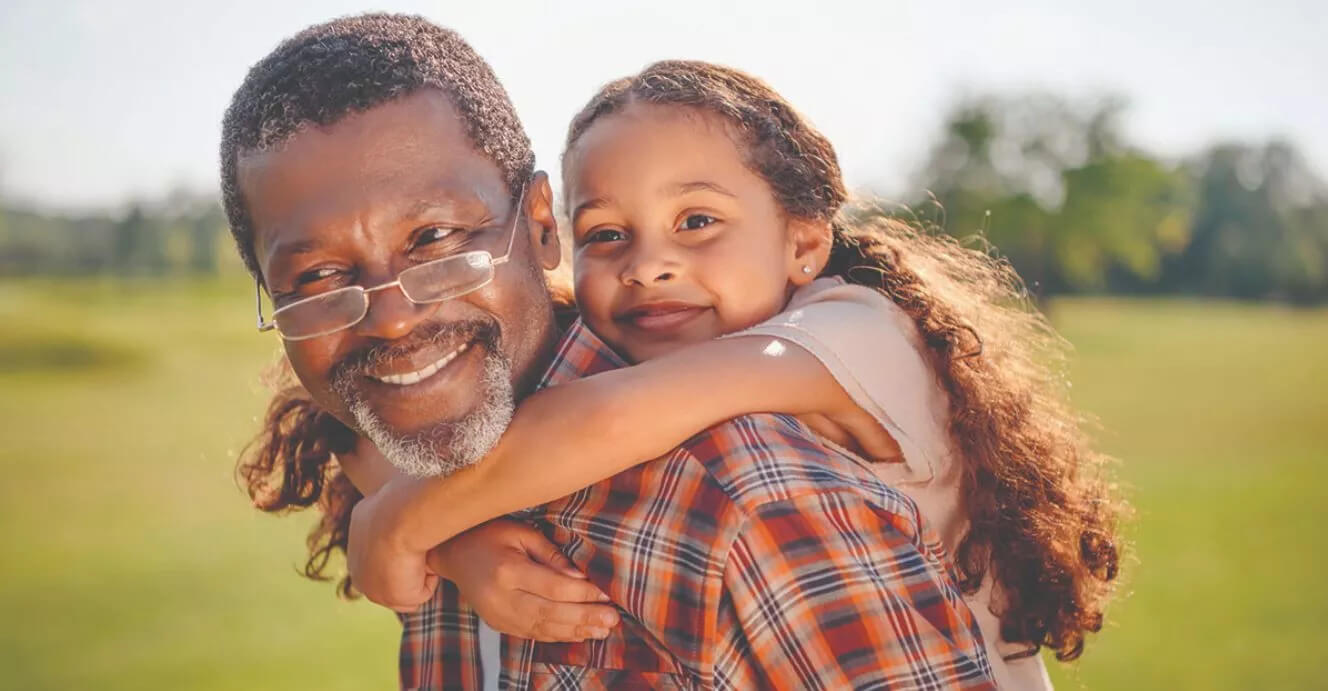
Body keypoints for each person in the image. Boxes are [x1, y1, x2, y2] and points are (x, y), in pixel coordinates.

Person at [222, 13, 997, 690]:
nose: (390, 321)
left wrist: (401, 524)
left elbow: (611, 418)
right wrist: (444, 535)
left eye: (435, 238)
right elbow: (345, 431)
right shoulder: (430, 444)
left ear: (538, 225)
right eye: (319, 276)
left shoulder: (754, 496)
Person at [346, 61, 1124, 689]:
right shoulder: (616, 346)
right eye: (607, 233)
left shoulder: (856, 332)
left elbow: (606, 420)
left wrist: (403, 522)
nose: (648, 265)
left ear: (803, 244)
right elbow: (367, 422)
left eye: (697, 222)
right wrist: (462, 543)